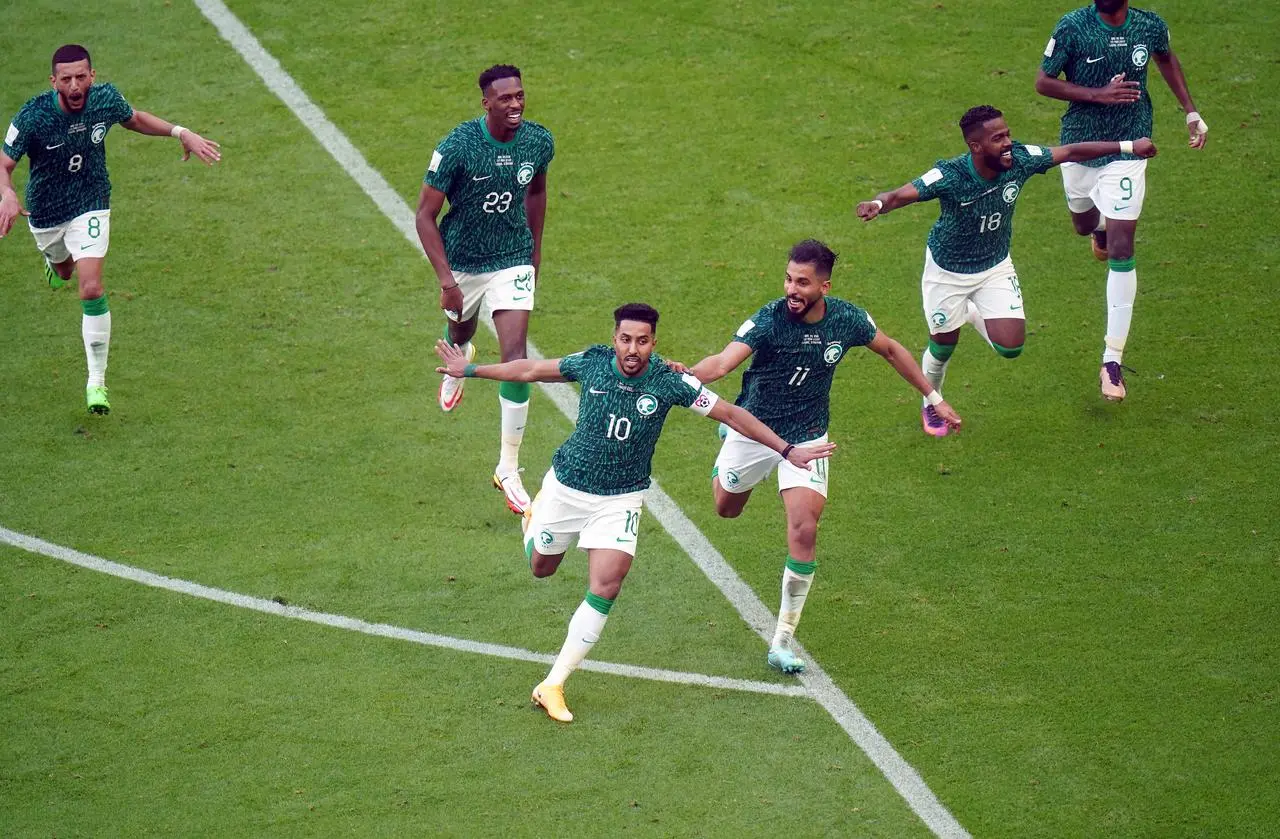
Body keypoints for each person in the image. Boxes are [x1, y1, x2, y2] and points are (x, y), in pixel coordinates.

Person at [435, 302, 835, 722]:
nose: (632, 349)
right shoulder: (591, 363)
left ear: (653, 343)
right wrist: (471, 371)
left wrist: (788, 450)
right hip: (567, 488)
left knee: (607, 584)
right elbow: (530, 371)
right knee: (540, 567)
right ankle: (531, 518)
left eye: (642, 341)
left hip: (621, 499)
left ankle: (553, 683)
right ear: (614, 339)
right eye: (625, 339)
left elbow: (731, 413)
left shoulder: (670, 382)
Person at [686, 240, 961, 676]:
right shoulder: (769, 319)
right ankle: (725, 453)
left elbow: (890, 349)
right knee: (725, 508)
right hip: (755, 429)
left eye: (802, 282)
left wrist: (933, 396)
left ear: (824, 286)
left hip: (809, 436)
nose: (791, 289)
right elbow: (722, 364)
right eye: (789, 279)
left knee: (804, 525)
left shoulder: (848, 320)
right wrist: (682, 373)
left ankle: (781, 642)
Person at [855, 106, 1156, 433]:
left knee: (1011, 347)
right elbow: (902, 194)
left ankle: (971, 312)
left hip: (995, 265)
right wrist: (879, 204)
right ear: (976, 147)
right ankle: (932, 402)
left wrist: (1127, 147)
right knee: (942, 347)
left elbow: (1070, 151)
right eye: (998, 138)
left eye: (1007, 134)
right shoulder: (951, 175)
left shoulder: (1022, 160)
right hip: (947, 273)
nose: (1008, 142)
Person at [0, 44, 221, 414]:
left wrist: (180, 132)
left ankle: (96, 383)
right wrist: (6, 195)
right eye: (66, 78)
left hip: (91, 202)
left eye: (81, 77)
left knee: (91, 287)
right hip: (46, 212)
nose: (75, 85)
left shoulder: (104, 100)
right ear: (53, 81)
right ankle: (56, 266)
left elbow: (133, 118)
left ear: (92, 76)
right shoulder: (33, 115)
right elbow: (4, 163)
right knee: (65, 271)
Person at [1035, 0, 1206, 401]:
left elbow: (1166, 59)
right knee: (1083, 225)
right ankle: (1097, 230)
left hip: (1131, 148)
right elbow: (1043, 82)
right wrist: (1098, 94)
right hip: (1079, 146)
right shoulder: (1073, 26)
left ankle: (1112, 360)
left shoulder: (1149, 26)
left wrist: (1190, 111)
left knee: (1123, 247)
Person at [416, 64, 554, 515]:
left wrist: (533, 251)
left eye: (520, 95)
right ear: (486, 103)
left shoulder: (538, 141)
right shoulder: (458, 147)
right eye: (505, 98)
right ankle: (464, 353)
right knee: (461, 332)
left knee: (517, 357)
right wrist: (446, 282)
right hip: (463, 266)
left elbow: (536, 192)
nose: (515, 104)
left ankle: (508, 468)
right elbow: (424, 216)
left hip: (512, 259)